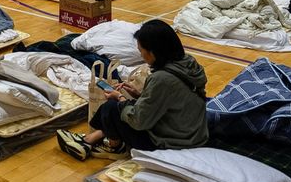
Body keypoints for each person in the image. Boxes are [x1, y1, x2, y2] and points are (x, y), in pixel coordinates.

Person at [56, 20, 208, 161]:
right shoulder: (188, 63)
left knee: (112, 108)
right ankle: (89, 140)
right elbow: (169, 100)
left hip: (171, 144)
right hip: (193, 134)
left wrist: (121, 98)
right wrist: (139, 94)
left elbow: (139, 121)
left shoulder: (162, 78)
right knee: (127, 104)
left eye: (141, 51)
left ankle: (114, 147)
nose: (141, 55)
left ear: (153, 52)